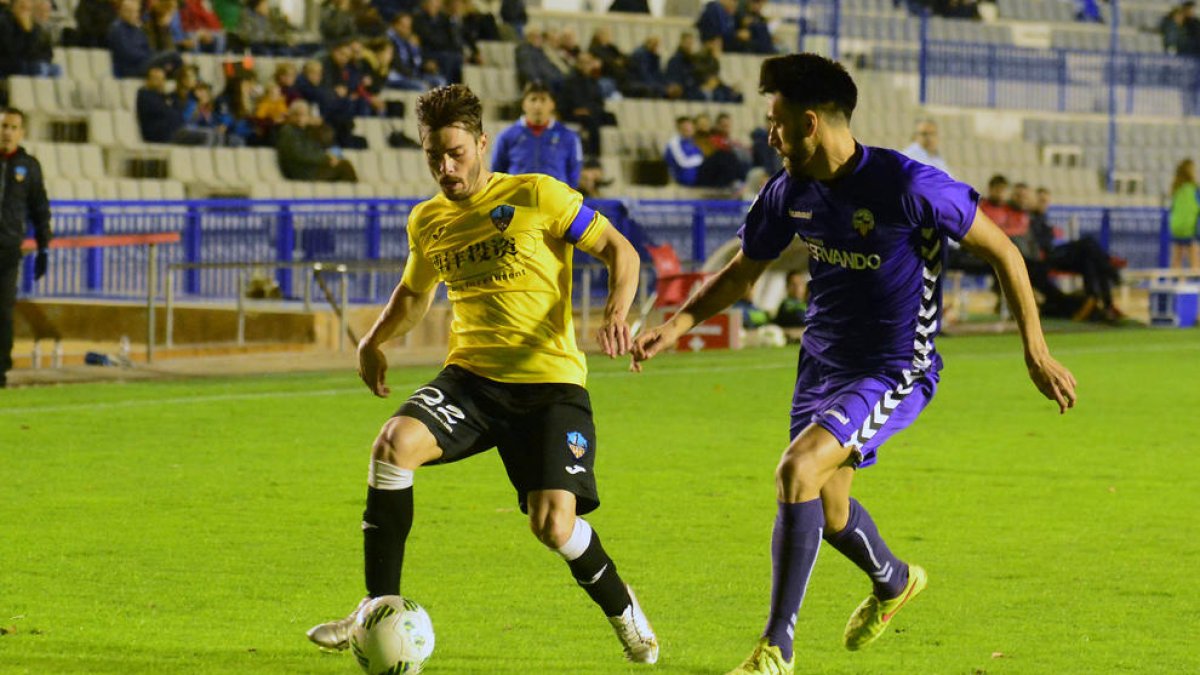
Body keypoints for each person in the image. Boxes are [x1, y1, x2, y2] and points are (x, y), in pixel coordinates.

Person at [631, 53, 1076, 675]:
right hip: (820, 365)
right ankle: (894, 582)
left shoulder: (906, 185)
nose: (769, 134)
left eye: (775, 121)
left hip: (894, 367)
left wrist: (1035, 348)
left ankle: (775, 650)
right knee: (829, 509)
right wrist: (677, 323)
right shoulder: (789, 190)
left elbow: (1004, 249)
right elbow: (744, 270)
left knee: (797, 469)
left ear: (809, 122)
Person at [304, 84, 658, 665]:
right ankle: (375, 608)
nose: (445, 168)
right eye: (433, 157)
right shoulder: (428, 221)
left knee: (552, 525)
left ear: (481, 143)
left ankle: (624, 610)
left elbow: (622, 251)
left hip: (549, 385)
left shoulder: (537, 194)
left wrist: (617, 311)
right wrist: (373, 339)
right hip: (469, 380)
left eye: (456, 153)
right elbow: (413, 296)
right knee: (393, 447)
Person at [0, 108, 51, 389]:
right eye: (3, 125)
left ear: (22, 133)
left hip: (7, 252)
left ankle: (0, 370)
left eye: (13, 127)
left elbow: (39, 207)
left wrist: (44, 245)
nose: (7, 132)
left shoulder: (29, 166)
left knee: (3, 312)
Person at [1028, 187, 1122, 320]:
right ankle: (1112, 272)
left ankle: (1103, 302)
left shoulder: (1041, 218)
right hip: (1046, 257)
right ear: (1034, 200)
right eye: (1041, 200)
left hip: (1053, 252)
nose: (1044, 204)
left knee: (1089, 260)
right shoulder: (1029, 218)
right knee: (1088, 243)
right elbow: (1040, 243)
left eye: (1046, 201)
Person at [491, 81, 583, 187]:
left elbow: (574, 173)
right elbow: (497, 173)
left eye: (543, 100)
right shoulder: (506, 136)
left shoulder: (569, 137)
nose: (538, 105)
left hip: (555, 201)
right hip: (518, 201)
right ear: (524, 104)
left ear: (552, 104)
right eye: (533, 99)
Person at [276, 100, 358, 182]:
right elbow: (300, 154)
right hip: (303, 173)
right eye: (296, 114)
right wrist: (326, 158)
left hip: (310, 169)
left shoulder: (306, 130)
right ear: (291, 116)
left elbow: (323, 145)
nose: (300, 118)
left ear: (308, 117)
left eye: (304, 115)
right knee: (344, 166)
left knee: (342, 164)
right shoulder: (288, 131)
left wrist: (330, 157)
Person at [1169, 159, 1200, 270]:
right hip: (1189, 228)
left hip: (1176, 227)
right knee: (1194, 259)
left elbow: (1173, 208)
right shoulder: (1194, 189)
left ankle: (1178, 283)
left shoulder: (1176, 189)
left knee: (1176, 259)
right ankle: (1197, 282)